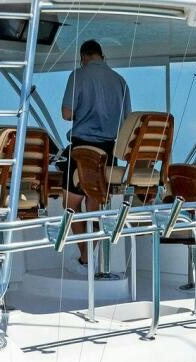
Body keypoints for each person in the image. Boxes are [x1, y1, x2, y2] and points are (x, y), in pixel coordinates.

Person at [60, 40, 130, 265]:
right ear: (102, 55)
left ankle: (85, 255)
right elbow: (126, 123)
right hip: (108, 151)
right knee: (94, 203)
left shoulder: (78, 75)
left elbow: (67, 114)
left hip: (82, 150)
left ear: (83, 57)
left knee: (70, 206)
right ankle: (91, 252)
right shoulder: (120, 81)